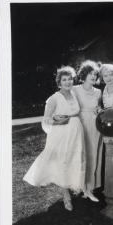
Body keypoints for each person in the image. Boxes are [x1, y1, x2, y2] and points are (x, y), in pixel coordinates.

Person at [23, 66, 86, 211]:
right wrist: (57, 121)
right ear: (59, 82)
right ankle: (66, 196)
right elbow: (46, 119)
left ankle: (75, 185)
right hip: (61, 133)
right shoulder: (54, 98)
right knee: (63, 161)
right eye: (64, 80)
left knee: (75, 159)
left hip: (76, 131)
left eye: (70, 79)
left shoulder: (74, 94)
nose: (68, 82)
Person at [73, 60, 102, 202]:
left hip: (95, 125)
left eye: (95, 74)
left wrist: (99, 110)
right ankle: (80, 186)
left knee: (93, 155)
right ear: (84, 75)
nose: (93, 76)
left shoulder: (98, 91)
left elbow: (98, 108)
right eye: (90, 73)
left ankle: (89, 188)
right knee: (80, 156)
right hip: (81, 124)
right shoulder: (75, 89)